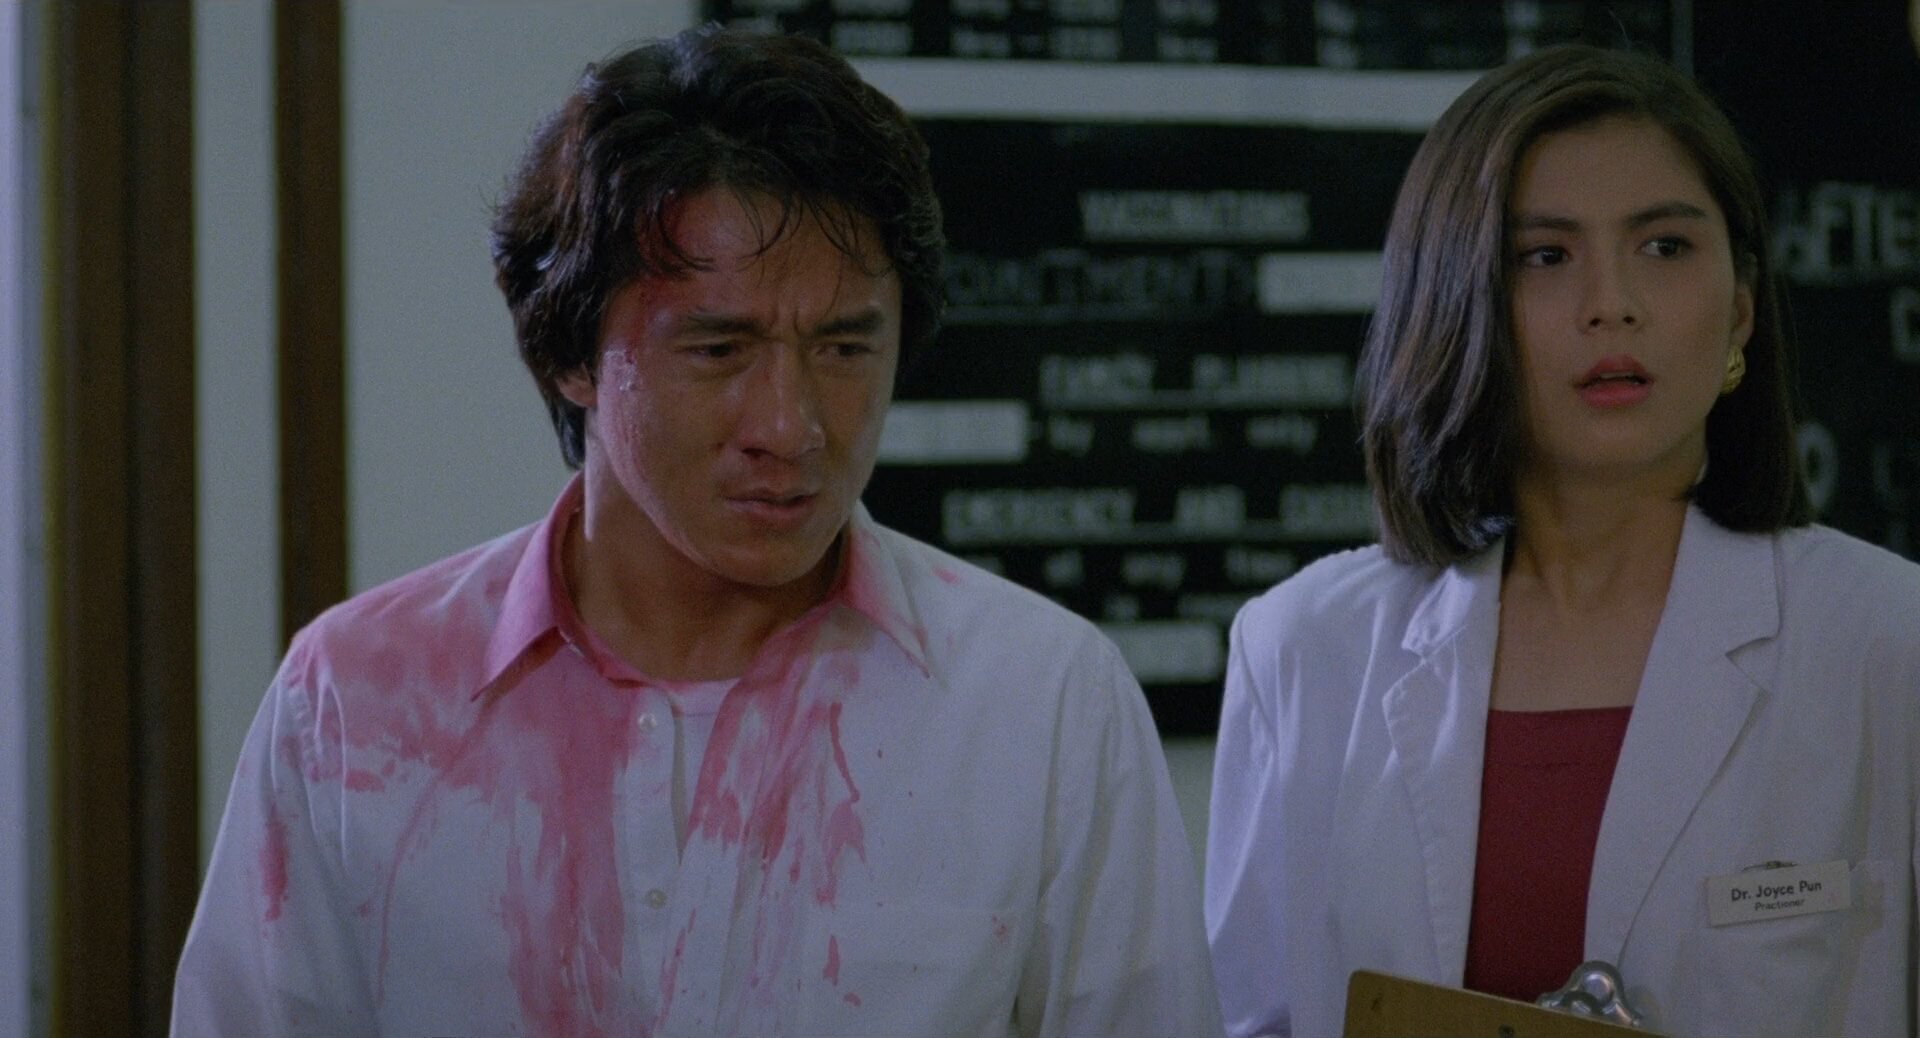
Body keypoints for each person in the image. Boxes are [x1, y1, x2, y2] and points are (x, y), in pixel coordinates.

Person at [173, 26, 1220, 1037]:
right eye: (719, 350)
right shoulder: (358, 702)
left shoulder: (1039, 702)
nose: (791, 427)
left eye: (845, 348)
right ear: (571, 354)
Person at [1206, 43, 1920, 1038]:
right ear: (1457, 304)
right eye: (1545, 256)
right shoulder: (1305, 649)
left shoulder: (1889, 639)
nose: (1611, 303)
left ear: (1741, 313)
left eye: (1665, 246)